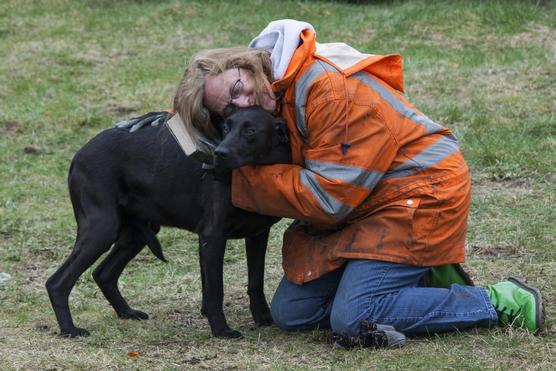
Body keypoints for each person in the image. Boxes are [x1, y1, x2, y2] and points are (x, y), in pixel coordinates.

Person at [120, 20, 545, 346]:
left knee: (353, 317)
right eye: (227, 108)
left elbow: (327, 199)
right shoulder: (276, 89)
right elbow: (237, 125)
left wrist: (239, 183)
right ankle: (402, 282)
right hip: (362, 204)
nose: (243, 103)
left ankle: (499, 300)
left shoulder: (325, 89)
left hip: (417, 196)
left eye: (238, 88)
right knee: (293, 314)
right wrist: (175, 125)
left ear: (244, 64)